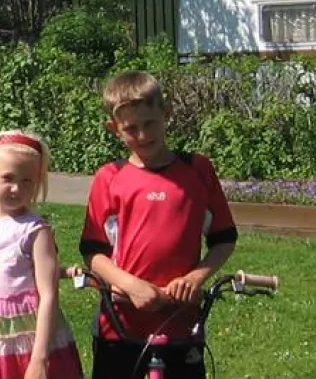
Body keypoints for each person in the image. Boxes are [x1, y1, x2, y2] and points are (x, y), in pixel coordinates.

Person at [80, 70, 238, 379]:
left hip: (181, 322)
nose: (142, 135)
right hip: (120, 325)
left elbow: (224, 238)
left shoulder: (197, 170)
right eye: (131, 129)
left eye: (150, 124)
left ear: (166, 114)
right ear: (114, 129)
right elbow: (93, 252)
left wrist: (195, 277)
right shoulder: (109, 178)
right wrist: (130, 285)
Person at [0, 129, 84, 379]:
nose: (17, 188)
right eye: (8, 178)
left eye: (28, 181)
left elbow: (49, 295)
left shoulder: (35, 230)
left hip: (31, 344)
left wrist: (39, 359)